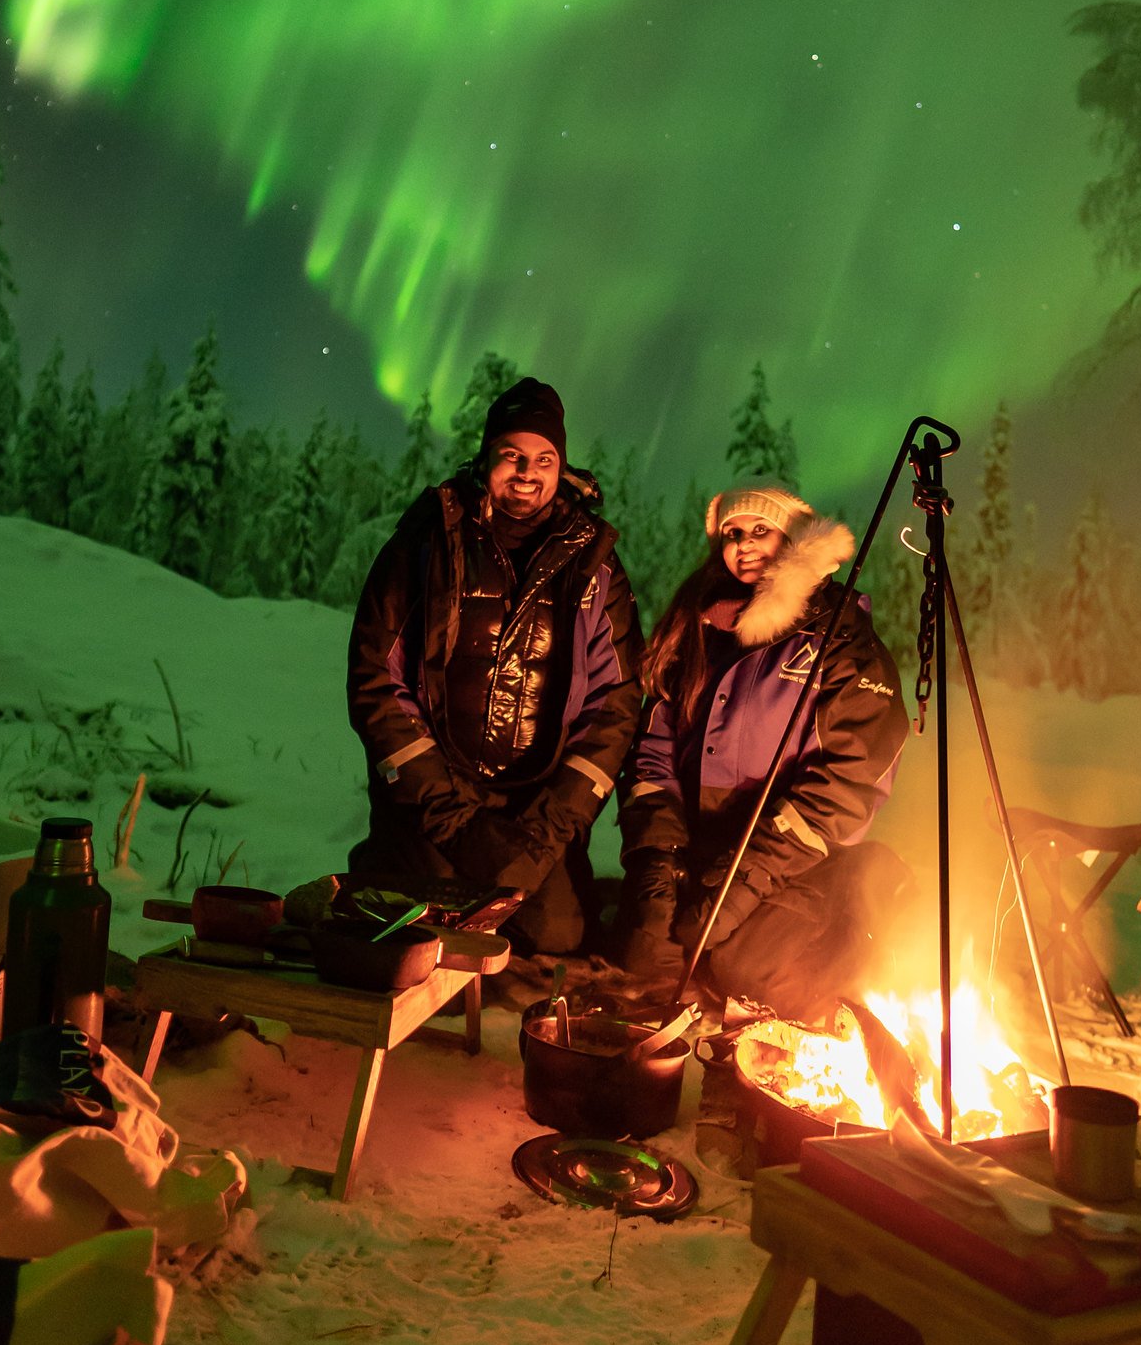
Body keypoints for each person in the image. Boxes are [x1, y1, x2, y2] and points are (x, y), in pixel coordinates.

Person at [347, 376, 644, 955]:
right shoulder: (428, 543)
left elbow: (616, 704)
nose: (527, 472)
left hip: (532, 807)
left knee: (558, 935)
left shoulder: (595, 565)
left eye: (543, 458)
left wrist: (546, 833)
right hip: (436, 797)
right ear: (486, 458)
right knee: (414, 926)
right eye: (512, 454)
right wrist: (450, 815)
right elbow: (375, 681)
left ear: (562, 468)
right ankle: (393, 864)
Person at [615, 479, 911, 1022]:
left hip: (799, 862)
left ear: (797, 542)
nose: (744, 544)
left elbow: (846, 785)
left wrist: (742, 887)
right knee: (641, 946)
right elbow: (653, 755)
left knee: (742, 973)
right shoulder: (699, 629)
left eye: (760, 530)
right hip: (705, 851)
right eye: (732, 533)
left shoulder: (844, 645)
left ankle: (859, 938)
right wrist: (658, 869)